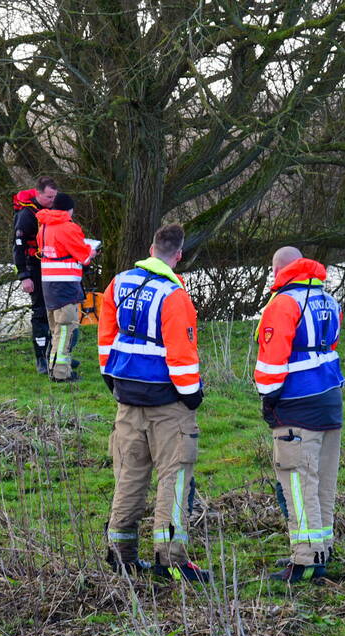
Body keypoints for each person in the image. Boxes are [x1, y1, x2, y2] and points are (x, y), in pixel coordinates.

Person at [99, 223, 209, 583]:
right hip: (166, 401)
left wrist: (110, 376)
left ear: (150, 248)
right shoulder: (174, 295)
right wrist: (192, 395)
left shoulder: (118, 283)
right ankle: (170, 559)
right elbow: (181, 354)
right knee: (173, 477)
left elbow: (106, 335)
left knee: (129, 474)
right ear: (178, 256)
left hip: (126, 396)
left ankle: (122, 555)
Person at [254, 246, 345, 583]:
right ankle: (321, 551)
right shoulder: (328, 300)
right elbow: (331, 344)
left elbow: (271, 363)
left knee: (297, 482)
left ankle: (305, 561)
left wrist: (268, 400)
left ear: (279, 269)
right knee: (322, 482)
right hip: (330, 398)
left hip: (296, 403)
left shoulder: (282, 304)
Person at [35, 194, 97, 381]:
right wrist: (91, 252)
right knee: (66, 330)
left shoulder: (43, 227)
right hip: (66, 286)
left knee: (56, 329)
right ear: (69, 210)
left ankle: (58, 367)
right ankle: (60, 373)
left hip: (48, 286)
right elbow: (83, 257)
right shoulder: (69, 228)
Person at [13, 177, 59, 373]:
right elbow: (18, 247)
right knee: (40, 312)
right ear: (38, 194)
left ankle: (55, 354)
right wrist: (24, 276)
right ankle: (41, 358)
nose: (52, 200)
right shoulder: (26, 214)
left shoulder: (51, 210)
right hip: (34, 267)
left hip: (51, 267)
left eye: (54, 197)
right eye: (49, 197)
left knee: (56, 312)